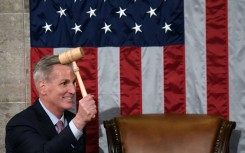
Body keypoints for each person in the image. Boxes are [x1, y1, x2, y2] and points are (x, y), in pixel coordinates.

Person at [5, 55, 97, 153]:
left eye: (73, 82)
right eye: (64, 83)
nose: (73, 90)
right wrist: (79, 121)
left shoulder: (72, 119)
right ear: (43, 88)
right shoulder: (18, 125)